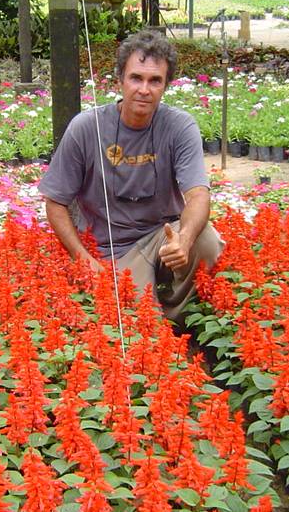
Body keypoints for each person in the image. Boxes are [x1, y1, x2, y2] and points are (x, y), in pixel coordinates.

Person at [38, 30, 224, 327]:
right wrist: (84, 260)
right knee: (132, 322)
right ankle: (152, 321)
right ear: (119, 80)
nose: (144, 89)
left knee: (207, 241)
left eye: (155, 81)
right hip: (112, 248)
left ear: (166, 85)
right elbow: (55, 202)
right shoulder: (86, 127)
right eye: (136, 78)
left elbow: (198, 194)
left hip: (162, 236)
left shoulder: (179, 126)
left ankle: (177, 321)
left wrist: (184, 240)